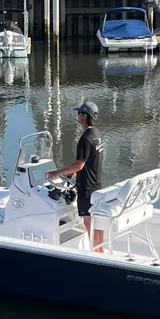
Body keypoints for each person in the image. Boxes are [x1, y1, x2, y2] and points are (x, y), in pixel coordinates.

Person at [47, 100, 105, 240]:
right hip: (97, 184)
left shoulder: (85, 139)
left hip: (87, 187)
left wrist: (55, 173)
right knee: (96, 221)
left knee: (88, 221)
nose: (77, 115)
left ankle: (96, 253)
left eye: (79, 113)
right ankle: (100, 250)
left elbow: (79, 164)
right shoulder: (97, 134)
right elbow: (91, 160)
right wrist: (74, 174)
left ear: (84, 116)